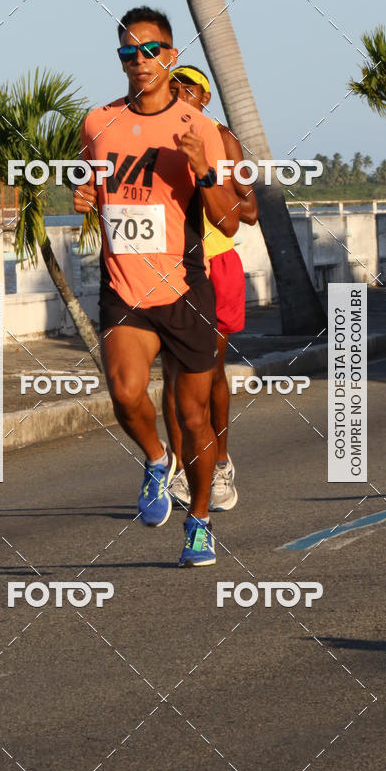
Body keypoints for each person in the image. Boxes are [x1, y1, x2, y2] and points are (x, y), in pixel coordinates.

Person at [73, 6, 240, 567]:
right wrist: (86, 199)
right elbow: (96, 187)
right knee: (124, 393)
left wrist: (205, 170)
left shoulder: (202, 130)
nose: (139, 61)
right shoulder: (97, 123)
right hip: (124, 285)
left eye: (150, 51)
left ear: (170, 56)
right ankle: (154, 456)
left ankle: (199, 519)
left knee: (195, 418)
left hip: (185, 287)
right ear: (119, 58)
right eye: (128, 52)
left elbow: (229, 222)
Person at [164, 65, 257, 512]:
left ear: (204, 98)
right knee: (170, 375)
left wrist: (211, 185)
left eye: (189, 89)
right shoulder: (155, 134)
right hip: (171, 265)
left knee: (211, 370)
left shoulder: (223, 138)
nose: (180, 93)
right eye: (173, 86)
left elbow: (251, 209)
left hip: (216, 261)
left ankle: (220, 463)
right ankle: (181, 470)